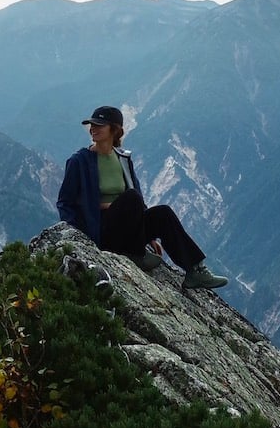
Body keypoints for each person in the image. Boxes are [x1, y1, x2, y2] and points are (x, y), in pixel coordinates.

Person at [56, 105, 228, 290]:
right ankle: (136, 254)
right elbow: (65, 202)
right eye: (92, 125)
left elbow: (136, 199)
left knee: (163, 212)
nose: (93, 129)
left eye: (99, 125)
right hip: (102, 229)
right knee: (132, 197)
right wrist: (80, 235)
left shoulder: (123, 159)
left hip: (127, 226)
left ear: (114, 130)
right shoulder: (80, 161)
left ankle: (195, 270)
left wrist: (149, 235)